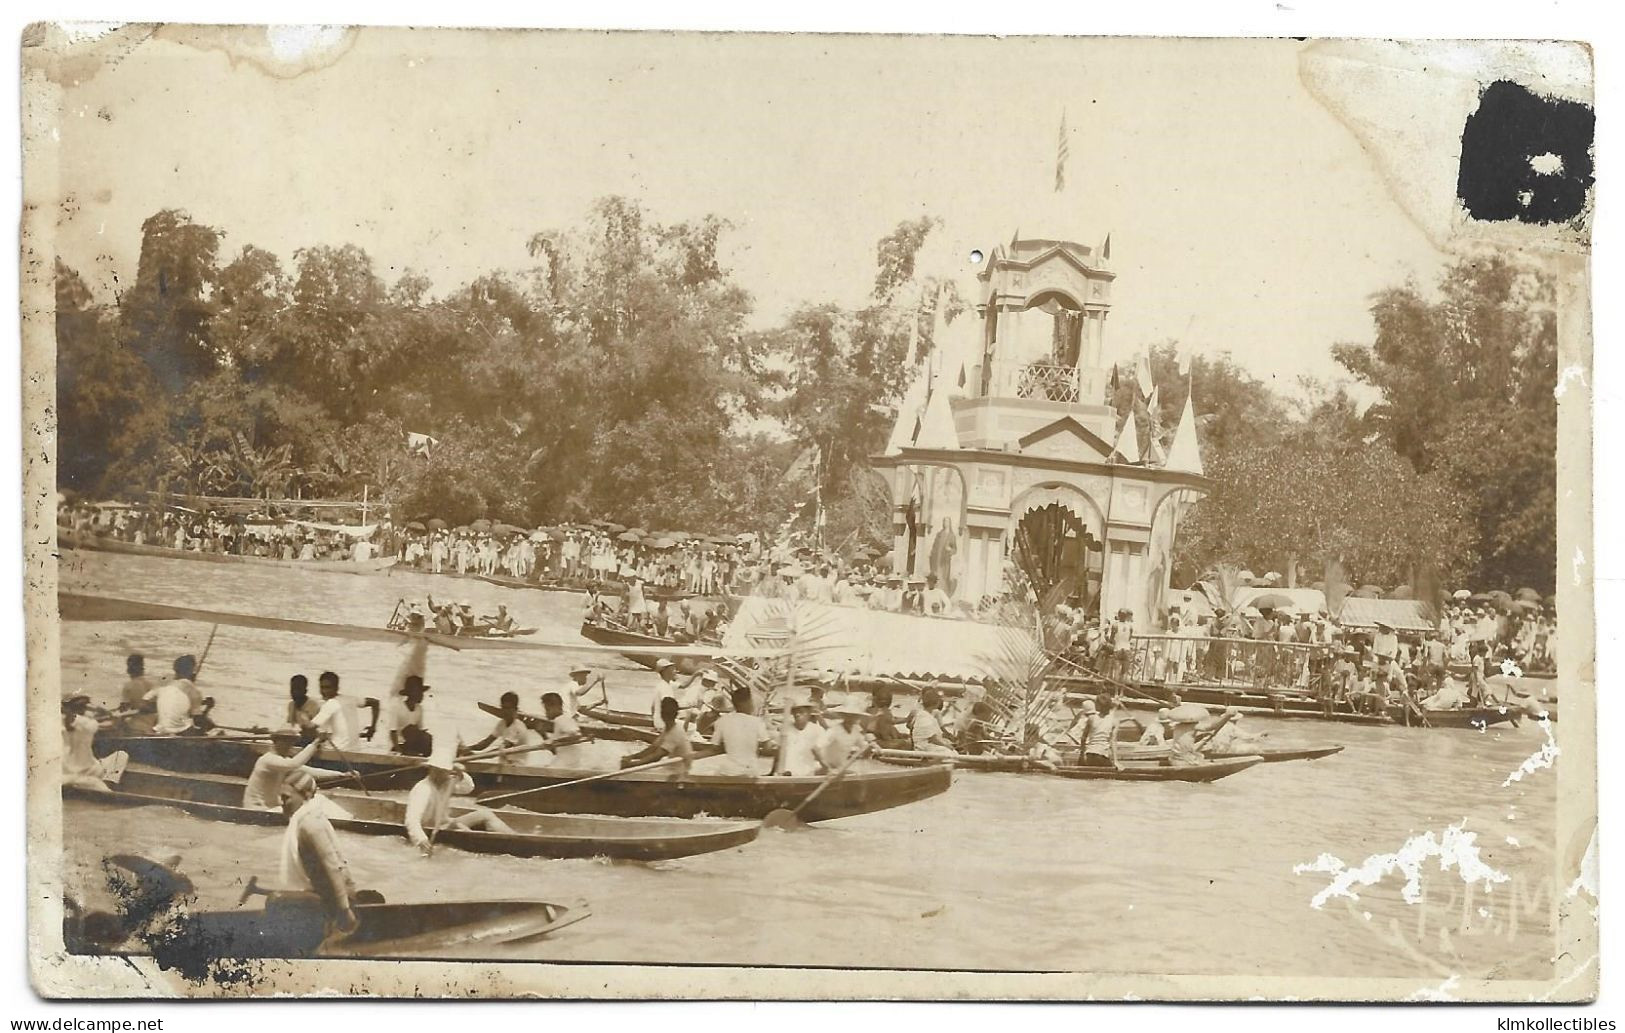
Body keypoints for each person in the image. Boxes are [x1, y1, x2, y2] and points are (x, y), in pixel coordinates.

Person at [279, 770, 360, 938]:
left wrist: (344, 910)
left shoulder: (310, 824)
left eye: (286, 797)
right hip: (324, 895)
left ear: (306, 795)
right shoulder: (305, 819)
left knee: (275, 902)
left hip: (338, 901)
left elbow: (333, 866)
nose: (281, 802)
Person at [404, 745, 515, 855]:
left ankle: (514, 837)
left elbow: (468, 788)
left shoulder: (446, 782)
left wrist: (461, 774)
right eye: (439, 770)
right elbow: (412, 820)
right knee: (463, 829)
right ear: (432, 769)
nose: (444, 774)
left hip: (446, 823)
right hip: (430, 829)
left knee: (485, 814)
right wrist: (421, 840)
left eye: (446, 770)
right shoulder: (423, 789)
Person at [62, 694, 127, 792]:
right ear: (84, 708)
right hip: (84, 773)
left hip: (65, 772)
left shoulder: (58, 722)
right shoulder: (87, 724)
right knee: (121, 755)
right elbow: (112, 724)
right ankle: (108, 783)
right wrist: (105, 712)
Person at [243, 729, 321, 811]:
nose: (289, 746)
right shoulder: (268, 759)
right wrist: (315, 744)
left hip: (272, 807)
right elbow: (293, 764)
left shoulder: (282, 760)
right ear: (276, 743)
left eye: (292, 743)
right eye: (286, 742)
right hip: (257, 808)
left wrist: (336, 774)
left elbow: (311, 771)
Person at [705, 685, 770, 775]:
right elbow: (767, 747)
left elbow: (714, 748)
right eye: (752, 702)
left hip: (730, 771)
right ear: (747, 703)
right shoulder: (757, 722)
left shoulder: (722, 721)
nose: (753, 705)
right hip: (750, 770)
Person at [620, 696, 694, 775]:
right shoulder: (669, 727)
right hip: (672, 768)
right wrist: (631, 757)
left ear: (661, 714)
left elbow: (656, 757)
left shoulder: (675, 732)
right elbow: (653, 748)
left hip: (679, 773)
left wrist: (632, 764)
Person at [143, 655, 207, 736]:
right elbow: (198, 721)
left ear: (175, 669)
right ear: (192, 670)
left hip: (160, 729)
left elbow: (144, 702)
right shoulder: (193, 690)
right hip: (181, 731)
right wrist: (208, 709)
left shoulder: (163, 684)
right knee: (204, 726)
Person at [468, 691, 535, 754]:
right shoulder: (502, 723)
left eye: (509, 708)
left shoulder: (518, 727)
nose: (505, 711)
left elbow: (502, 750)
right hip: (504, 762)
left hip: (517, 764)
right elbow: (485, 743)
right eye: (504, 708)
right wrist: (467, 749)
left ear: (516, 709)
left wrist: (475, 755)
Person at [311, 671, 363, 751]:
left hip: (338, 751)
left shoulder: (330, 704)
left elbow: (310, 727)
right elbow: (374, 702)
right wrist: (372, 728)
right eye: (322, 687)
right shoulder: (350, 699)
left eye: (328, 687)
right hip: (355, 750)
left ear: (336, 688)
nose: (324, 691)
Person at [381, 676, 433, 756]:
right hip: (399, 744)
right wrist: (398, 750)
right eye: (419, 692)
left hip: (412, 743)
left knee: (427, 737)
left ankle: (424, 758)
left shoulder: (419, 709)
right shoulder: (397, 707)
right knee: (411, 730)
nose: (422, 695)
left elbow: (420, 729)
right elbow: (393, 731)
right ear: (412, 693)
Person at [818, 700, 872, 769]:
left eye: (854, 716)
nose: (851, 718)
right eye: (848, 715)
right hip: (826, 767)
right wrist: (825, 766)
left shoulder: (855, 731)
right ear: (844, 716)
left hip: (841, 768)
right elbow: (817, 747)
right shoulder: (834, 731)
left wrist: (871, 746)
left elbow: (864, 747)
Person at [777, 700, 826, 775]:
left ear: (809, 713)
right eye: (795, 712)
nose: (797, 714)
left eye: (801, 712)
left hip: (809, 771)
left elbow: (822, 754)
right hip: (787, 772)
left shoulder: (817, 730)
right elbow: (779, 753)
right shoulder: (786, 730)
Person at [1076, 694, 1121, 768]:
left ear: (1097, 706)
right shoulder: (1115, 721)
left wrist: (1081, 755)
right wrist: (1115, 761)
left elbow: (1083, 738)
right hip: (1102, 755)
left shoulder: (1091, 718)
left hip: (1089, 755)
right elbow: (1113, 741)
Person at [908, 689, 955, 756]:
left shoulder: (924, 715)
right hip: (924, 747)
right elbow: (932, 739)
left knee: (952, 750)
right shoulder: (925, 717)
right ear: (936, 703)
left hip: (926, 744)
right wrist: (946, 745)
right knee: (949, 752)